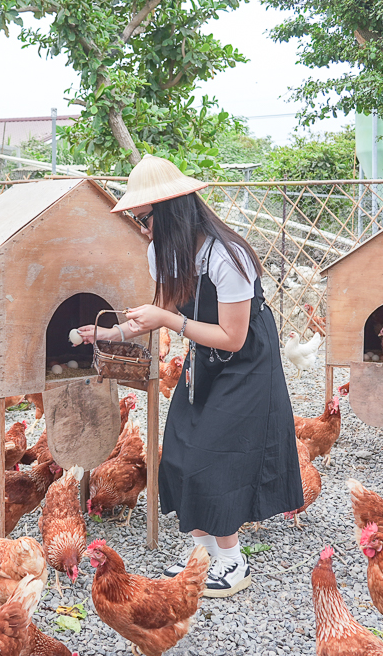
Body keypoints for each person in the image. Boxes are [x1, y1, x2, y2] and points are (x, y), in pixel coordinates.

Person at [78, 155, 303, 597]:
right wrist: (109, 333)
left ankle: (233, 562)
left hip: (246, 361)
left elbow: (233, 337)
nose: (142, 229)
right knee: (179, 452)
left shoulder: (228, 256)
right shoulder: (162, 251)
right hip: (205, 356)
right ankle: (204, 555)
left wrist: (169, 319)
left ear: (171, 213)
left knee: (215, 457)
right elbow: (157, 313)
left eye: (145, 219)